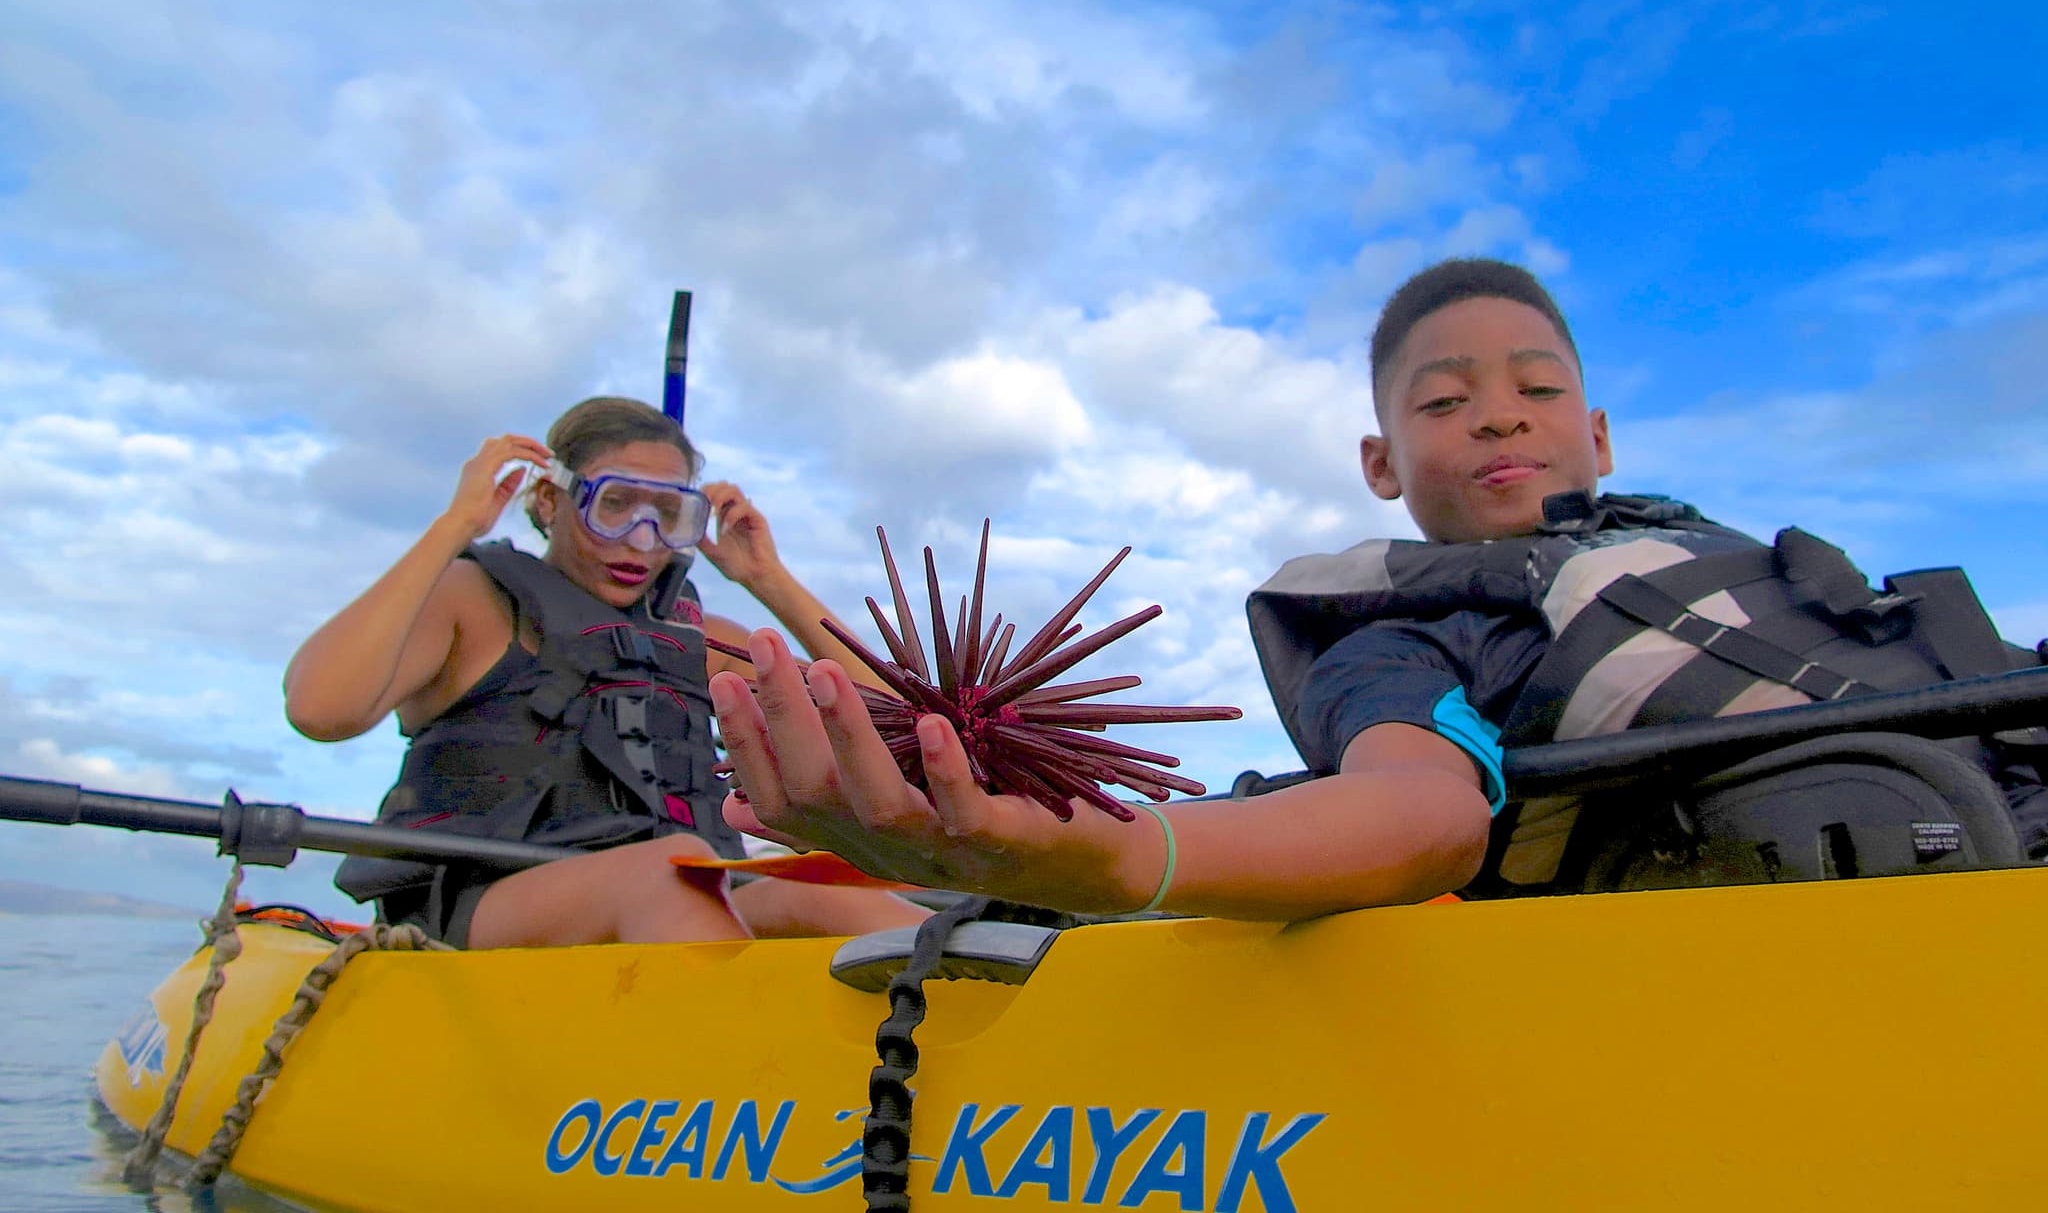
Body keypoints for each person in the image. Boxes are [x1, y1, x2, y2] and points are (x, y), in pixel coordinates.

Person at [706, 260, 2043, 917]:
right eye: (1447, 402)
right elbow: (1416, 807)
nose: (1501, 422)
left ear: (1605, 437)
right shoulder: (1404, 630)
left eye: (1539, 390)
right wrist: (1121, 855)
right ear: (1379, 463)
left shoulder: (1742, 559)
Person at [285, 395, 922, 948]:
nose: (642, 540)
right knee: (669, 872)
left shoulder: (688, 636)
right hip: (489, 897)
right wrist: (457, 526)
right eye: (613, 505)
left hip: (689, 894)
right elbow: (322, 708)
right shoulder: (472, 602)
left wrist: (766, 579)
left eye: (668, 515)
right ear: (549, 499)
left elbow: (896, 722)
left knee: (824, 896)